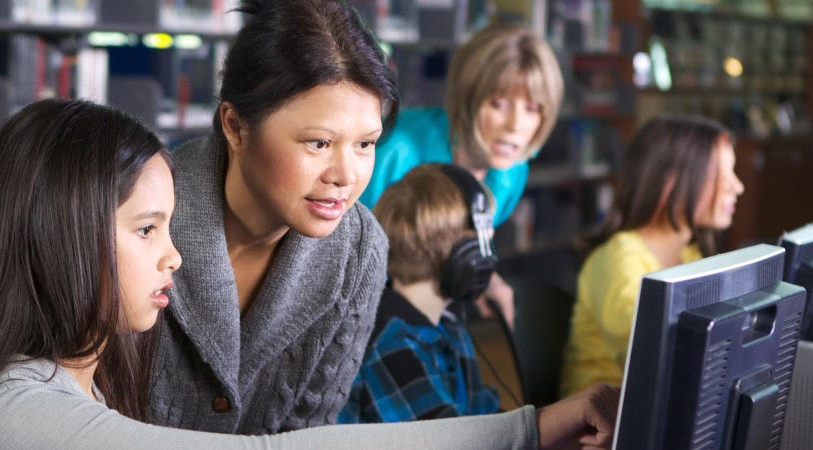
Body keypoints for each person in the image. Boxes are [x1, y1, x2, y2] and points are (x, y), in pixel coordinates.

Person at [0, 99, 556, 450]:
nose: (175, 256)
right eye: (146, 229)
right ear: (61, 237)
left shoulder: (86, 386)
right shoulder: (14, 414)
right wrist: (527, 430)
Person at [147, 0, 618, 447]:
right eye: (317, 143)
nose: (346, 177)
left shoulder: (360, 246)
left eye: (366, 144)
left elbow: (313, 431)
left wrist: (531, 430)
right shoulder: (131, 215)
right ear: (234, 126)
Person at [358, 22, 566, 326]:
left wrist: (486, 277)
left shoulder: (512, 172)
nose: (515, 126)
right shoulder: (397, 151)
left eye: (533, 109)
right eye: (499, 104)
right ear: (467, 96)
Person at [559, 116, 745, 397]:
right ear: (671, 182)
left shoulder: (692, 255)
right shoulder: (619, 258)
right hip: (603, 422)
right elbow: (650, 357)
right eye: (723, 173)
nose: (738, 186)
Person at [339, 164, 504, 423]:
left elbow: (490, 418)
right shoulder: (390, 341)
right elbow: (453, 442)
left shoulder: (449, 325)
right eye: (484, 240)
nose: (488, 254)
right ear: (468, 252)